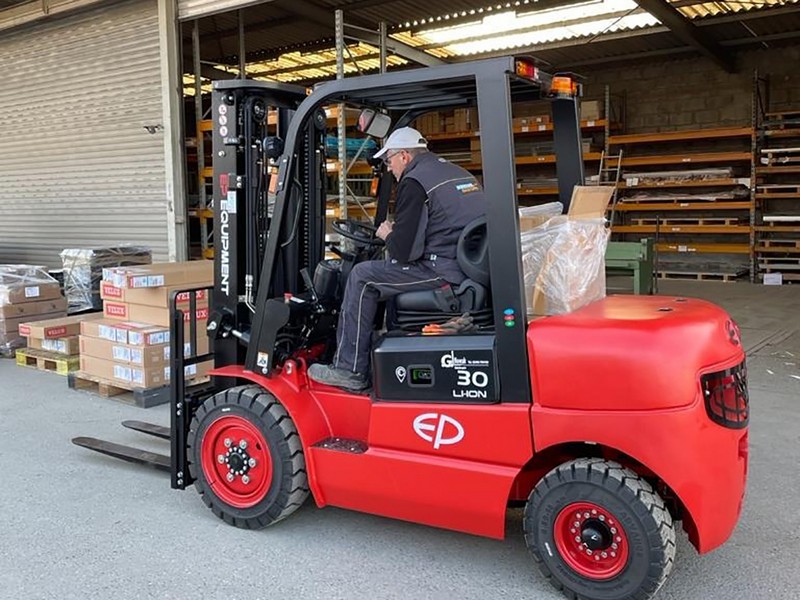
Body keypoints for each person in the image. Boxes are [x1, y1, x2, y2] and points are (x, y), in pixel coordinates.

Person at [308, 126, 487, 391]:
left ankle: (350, 369)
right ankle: (384, 351)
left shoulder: (414, 182)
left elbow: (405, 252)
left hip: (443, 270)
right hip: (465, 264)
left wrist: (388, 233)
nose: (389, 167)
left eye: (389, 160)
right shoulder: (456, 172)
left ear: (404, 155)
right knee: (386, 274)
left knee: (362, 276)